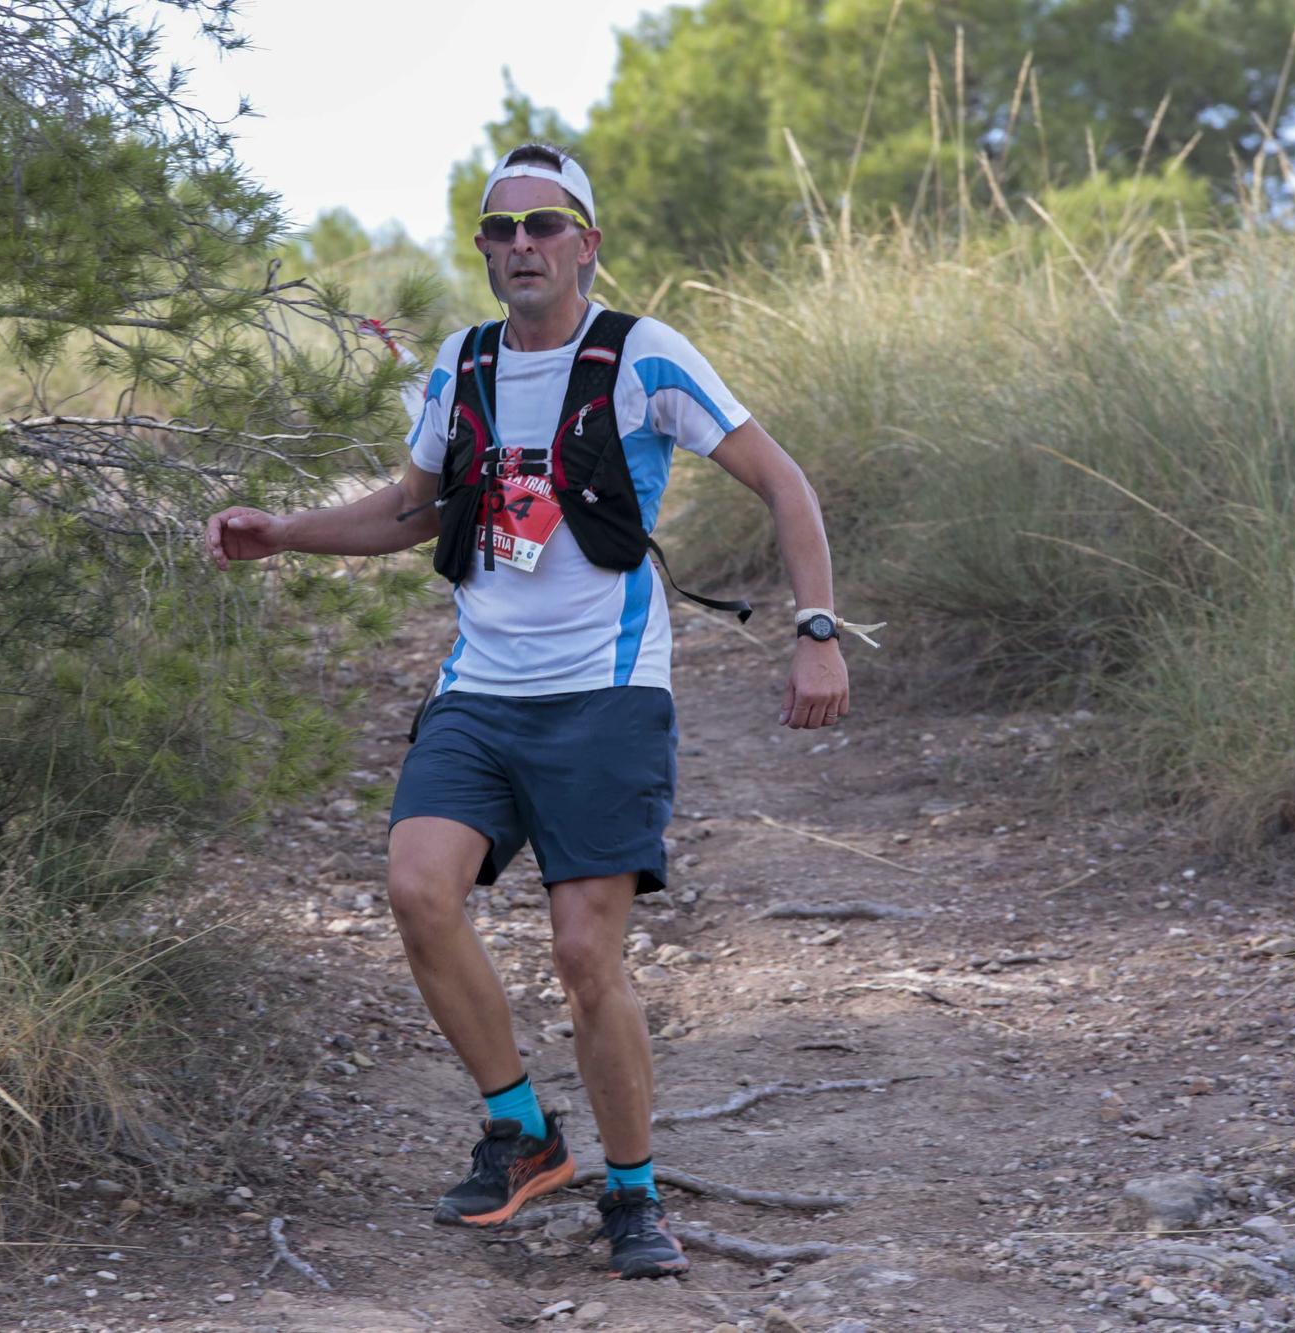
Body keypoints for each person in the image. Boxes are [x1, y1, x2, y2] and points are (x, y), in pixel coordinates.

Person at [206, 143, 856, 1280]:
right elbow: (411, 510)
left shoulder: (642, 356)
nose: (520, 247)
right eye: (499, 231)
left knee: (582, 954)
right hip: (480, 693)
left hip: (605, 697)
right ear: (483, 250)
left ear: (585, 243)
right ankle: (519, 1129)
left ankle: (633, 1190)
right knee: (417, 886)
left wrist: (815, 630)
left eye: (543, 226)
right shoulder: (458, 367)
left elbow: (782, 480)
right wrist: (283, 534)